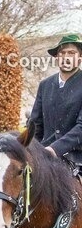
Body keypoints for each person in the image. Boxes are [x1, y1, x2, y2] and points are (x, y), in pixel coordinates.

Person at [31, 33, 82, 168]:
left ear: (80, 58)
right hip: (45, 158)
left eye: (72, 53)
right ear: (57, 58)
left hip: (77, 158)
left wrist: (55, 149)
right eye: (62, 53)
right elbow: (35, 125)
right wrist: (29, 149)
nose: (66, 57)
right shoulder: (45, 85)